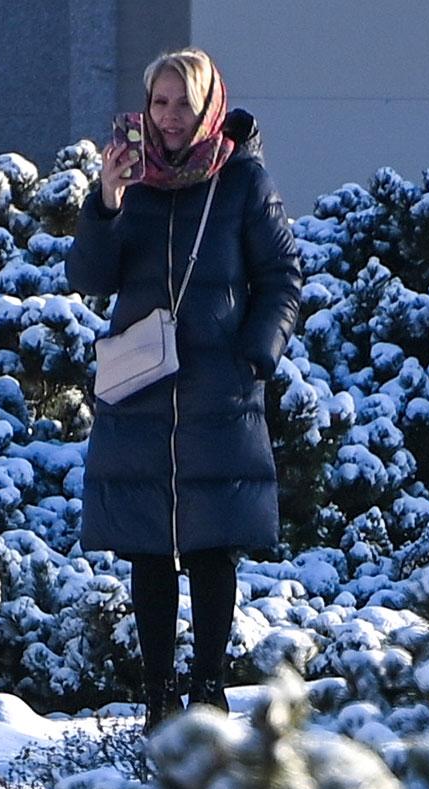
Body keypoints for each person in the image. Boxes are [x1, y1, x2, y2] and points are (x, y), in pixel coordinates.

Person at [65, 47, 304, 733]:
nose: (170, 117)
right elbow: (90, 277)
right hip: (139, 381)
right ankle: (156, 695)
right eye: (160, 102)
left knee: (209, 544)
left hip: (215, 384)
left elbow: (283, 276)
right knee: (146, 544)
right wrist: (106, 202)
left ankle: (209, 687)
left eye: (183, 103)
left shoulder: (241, 181)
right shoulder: (128, 176)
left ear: (209, 106)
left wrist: (254, 357)